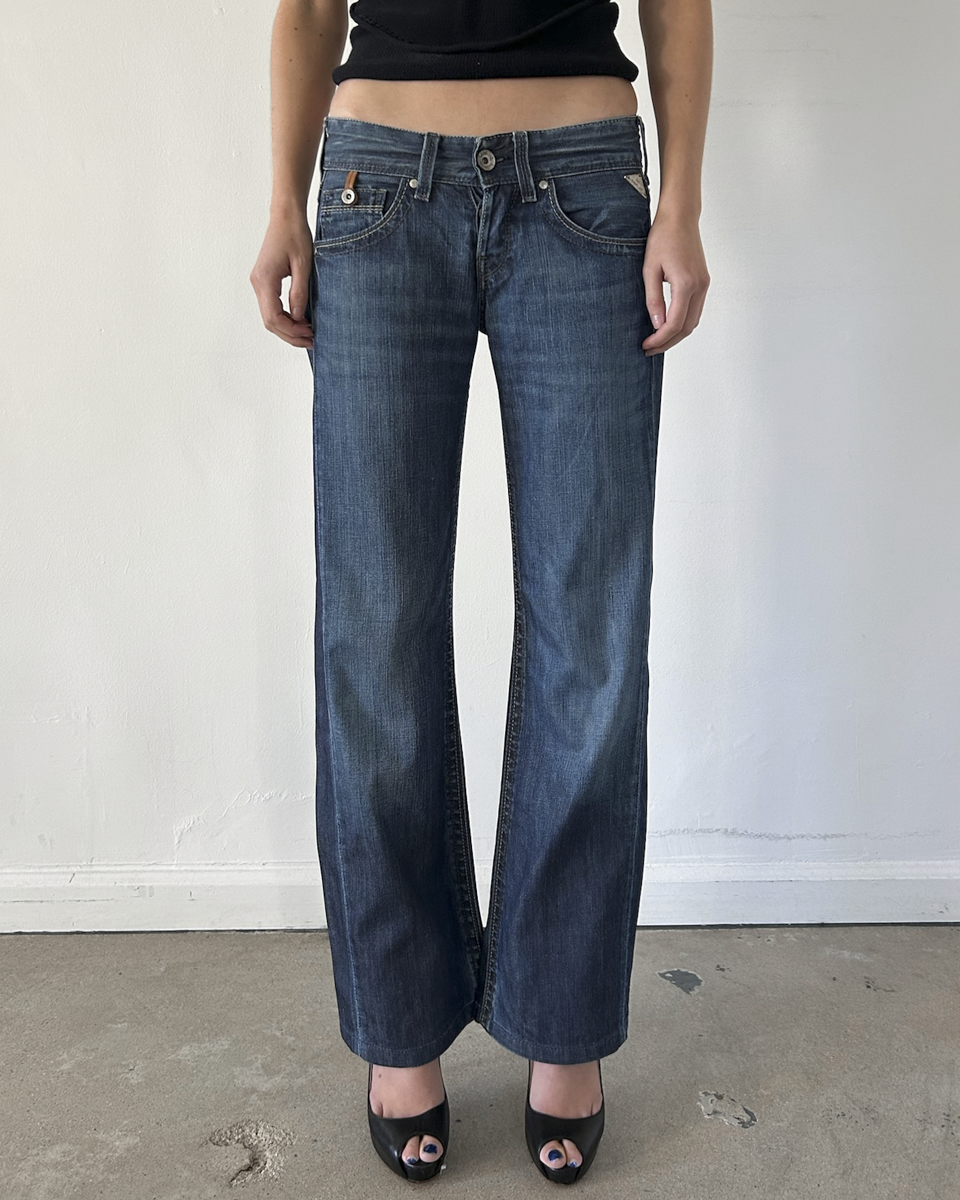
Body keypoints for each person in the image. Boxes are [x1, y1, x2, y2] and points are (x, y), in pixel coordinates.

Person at [250, 0, 712, 1184]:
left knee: (590, 635)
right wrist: (282, 202)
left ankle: (564, 1020)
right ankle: (400, 1028)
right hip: (375, 190)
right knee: (375, 635)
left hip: (585, 183)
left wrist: (681, 205)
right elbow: (309, 7)